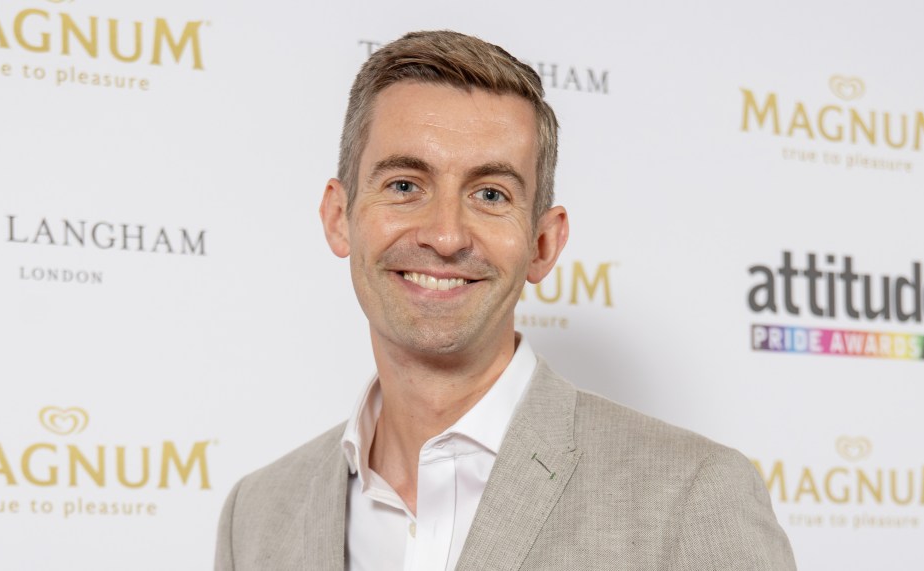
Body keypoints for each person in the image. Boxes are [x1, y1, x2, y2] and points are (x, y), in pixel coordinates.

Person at [215, 30, 796, 570]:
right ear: (339, 217)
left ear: (543, 244)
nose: (445, 236)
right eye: (404, 186)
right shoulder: (257, 515)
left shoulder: (693, 494)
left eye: (490, 194)